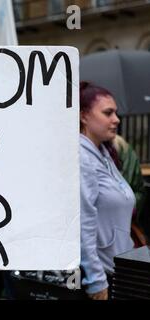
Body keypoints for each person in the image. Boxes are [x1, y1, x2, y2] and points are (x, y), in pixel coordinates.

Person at [79, 81, 135, 300]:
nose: (116, 119)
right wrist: (95, 280)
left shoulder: (101, 152)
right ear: (84, 116)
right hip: (102, 276)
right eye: (107, 113)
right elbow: (84, 221)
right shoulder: (82, 157)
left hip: (118, 268)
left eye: (116, 113)